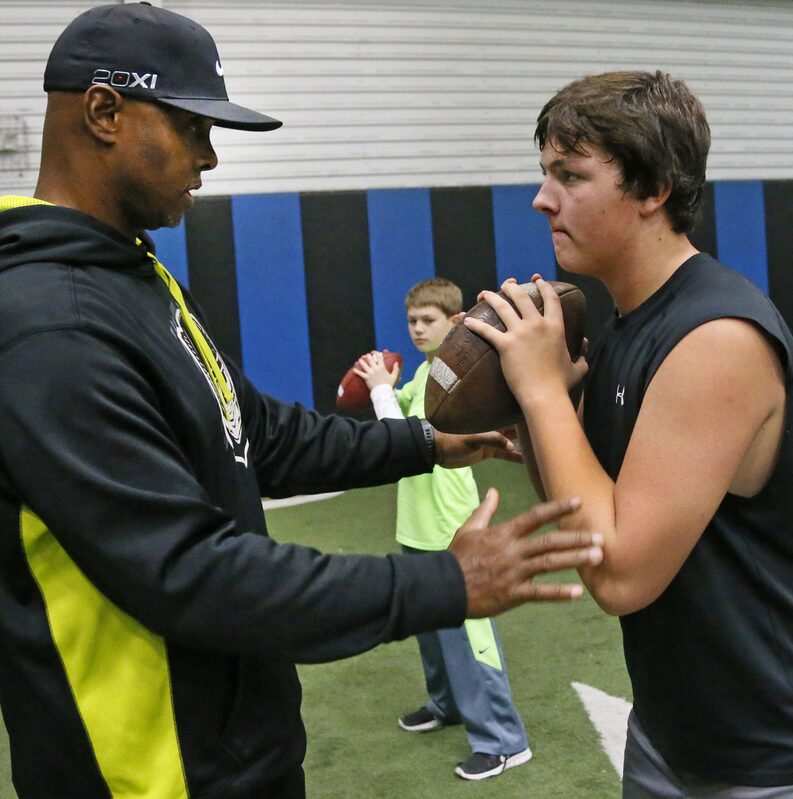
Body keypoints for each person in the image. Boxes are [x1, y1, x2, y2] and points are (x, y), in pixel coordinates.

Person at [0, 4, 607, 798]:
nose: (209, 158)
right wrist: (442, 584)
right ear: (104, 112)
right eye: (192, 128)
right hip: (149, 776)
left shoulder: (134, 277)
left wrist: (425, 440)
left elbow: (257, 435)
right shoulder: (53, 327)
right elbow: (190, 573)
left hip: (234, 754)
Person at [464, 70, 793, 798]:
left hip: (767, 755)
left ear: (654, 187)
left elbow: (621, 573)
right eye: (545, 174)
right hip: (672, 728)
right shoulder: (628, 324)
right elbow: (586, 512)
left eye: (570, 175)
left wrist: (542, 389)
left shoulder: (716, 337)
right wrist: (542, 409)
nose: (543, 198)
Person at [354, 278, 531, 782]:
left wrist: (380, 391)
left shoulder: (454, 381)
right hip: (417, 524)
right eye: (411, 320)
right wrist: (387, 384)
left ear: (454, 323)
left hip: (454, 527)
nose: (415, 329)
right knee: (428, 625)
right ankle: (446, 703)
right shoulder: (424, 374)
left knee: (470, 636)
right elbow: (398, 423)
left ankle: (504, 741)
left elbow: (404, 437)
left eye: (426, 320)